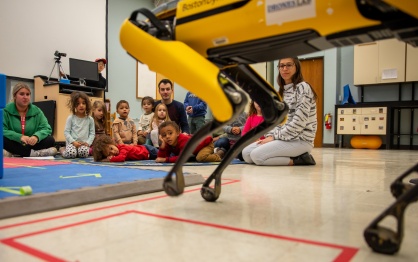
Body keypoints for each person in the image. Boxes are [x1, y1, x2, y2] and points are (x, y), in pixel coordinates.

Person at [242, 57, 317, 166]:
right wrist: (270, 136)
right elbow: (277, 121)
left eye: (289, 65)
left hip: (301, 140)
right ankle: (289, 155)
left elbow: (299, 122)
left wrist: (274, 137)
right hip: (284, 138)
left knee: (257, 156)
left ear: (296, 67)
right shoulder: (282, 92)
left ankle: (300, 160)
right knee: (246, 154)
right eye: (282, 66)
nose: (285, 69)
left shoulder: (303, 87)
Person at [3, 83, 57, 157]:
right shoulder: (5, 110)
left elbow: (46, 128)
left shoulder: (37, 111)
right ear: (15, 96)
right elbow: (2, 130)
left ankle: (14, 153)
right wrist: (19, 137)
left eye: (27, 94)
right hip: (15, 142)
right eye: (22, 94)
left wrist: (36, 137)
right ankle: (35, 153)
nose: (25, 97)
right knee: (2, 139)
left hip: (31, 144)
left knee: (50, 140)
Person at [155, 121, 224, 163]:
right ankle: (214, 150)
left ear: (178, 133)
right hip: (195, 149)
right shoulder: (167, 142)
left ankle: (219, 154)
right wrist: (162, 147)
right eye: (164, 135)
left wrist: (165, 160)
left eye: (170, 133)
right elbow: (159, 159)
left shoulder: (183, 140)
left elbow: (181, 158)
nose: (167, 137)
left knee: (200, 158)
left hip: (205, 143)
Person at [60, 91, 95, 158]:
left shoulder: (90, 119)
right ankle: (63, 150)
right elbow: (66, 132)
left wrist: (87, 143)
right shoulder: (71, 118)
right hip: (72, 144)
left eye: (83, 103)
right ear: (74, 106)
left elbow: (92, 133)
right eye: (78, 103)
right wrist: (73, 142)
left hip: (83, 144)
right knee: (71, 154)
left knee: (84, 153)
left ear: (87, 105)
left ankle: (78, 152)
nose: (81, 105)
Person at [93, 135, 157, 162]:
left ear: (113, 143)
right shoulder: (116, 154)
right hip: (147, 156)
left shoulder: (122, 148)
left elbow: (121, 158)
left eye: (111, 148)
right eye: (109, 154)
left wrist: (110, 159)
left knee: (163, 154)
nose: (113, 152)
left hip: (148, 150)